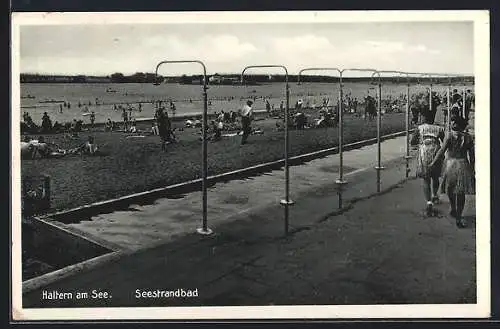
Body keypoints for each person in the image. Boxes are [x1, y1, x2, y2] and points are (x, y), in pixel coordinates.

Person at [430, 116, 475, 228]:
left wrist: (433, 162)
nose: (452, 124)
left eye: (454, 122)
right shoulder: (468, 137)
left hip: (450, 164)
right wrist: (472, 168)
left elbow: (442, 151)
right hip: (463, 164)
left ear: (458, 125)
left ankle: (454, 208)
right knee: (461, 191)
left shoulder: (449, 136)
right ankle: (458, 216)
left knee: (450, 188)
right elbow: (472, 156)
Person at [410, 110, 445, 216]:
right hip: (436, 151)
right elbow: (443, 141)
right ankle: (434, 195)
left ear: (425, 117)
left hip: (424, 151)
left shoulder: (420, 128)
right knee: (435, 176)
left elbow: (413, 141)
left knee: (426, 178)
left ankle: (429, 201)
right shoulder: (439, 128)